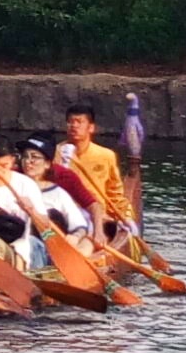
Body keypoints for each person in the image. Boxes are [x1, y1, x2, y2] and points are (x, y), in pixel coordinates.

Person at [52, 101, 135, 245]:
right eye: (70, 122)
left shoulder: (105, 155)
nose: (74, 126)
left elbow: (114, 192)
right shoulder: (55, 154)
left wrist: (124, 217)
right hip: (66, 215)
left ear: (91, 127)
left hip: (99, 217)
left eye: (79, 122)